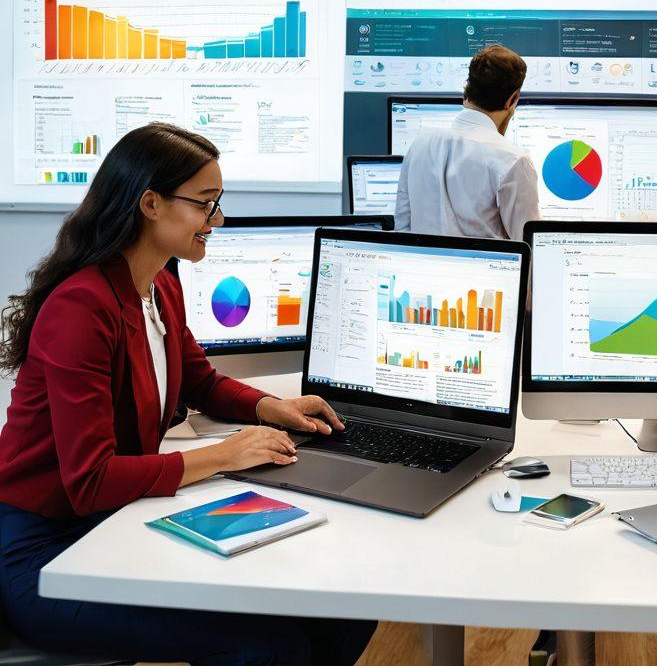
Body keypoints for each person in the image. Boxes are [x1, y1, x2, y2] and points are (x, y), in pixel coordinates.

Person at [0, 123, 375, 666]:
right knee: (265, 644)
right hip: (49, 556)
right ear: (150, 203)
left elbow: (199, 380)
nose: (216, 220)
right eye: (205, 204)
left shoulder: (159, 282)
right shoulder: (81, 308)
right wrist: (227, 453)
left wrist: (274, 408)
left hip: (114, 522)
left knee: (344, 605)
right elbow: (91, 481)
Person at [395, 43, 541, 241]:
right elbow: (529, 246)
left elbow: (402, 229)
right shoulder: (513, 160)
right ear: (512, 99)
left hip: (421, 270)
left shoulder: (420, 143)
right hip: (489, 271)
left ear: (466, 89)